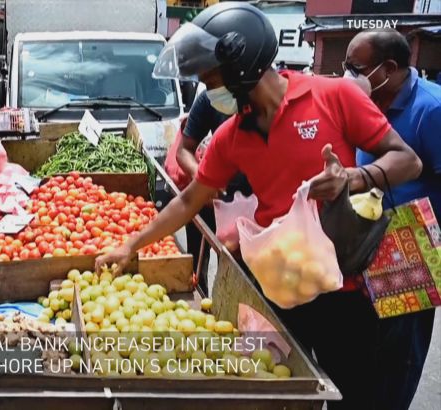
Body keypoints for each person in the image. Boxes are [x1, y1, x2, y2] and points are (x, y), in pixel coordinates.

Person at [96, 3, 421, 409]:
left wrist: (354, 178)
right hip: (279, 288)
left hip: (342, 287)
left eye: (210, 79)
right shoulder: (232, 136)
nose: (208, 91)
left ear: (241, 66)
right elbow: (190, 200)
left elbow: (407, 160)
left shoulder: (332, 96)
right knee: (280, 390)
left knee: (350, 394)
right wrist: (131, 245)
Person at [345, 28, 441, 410]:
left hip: (412, 250)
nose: (349, 75)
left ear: (387, 69)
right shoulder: (366, 103)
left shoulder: (431, 110)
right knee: (359, 356)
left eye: (356, 67)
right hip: (364, 244)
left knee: (397, 362)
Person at [175, 90, 251, 293]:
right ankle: (203, 296)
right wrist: (201, 176)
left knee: (238, 272)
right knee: (197, 262)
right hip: (212, 198)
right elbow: (183, 150)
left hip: (252, 207)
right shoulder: (210, 98)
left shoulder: (262, 103)